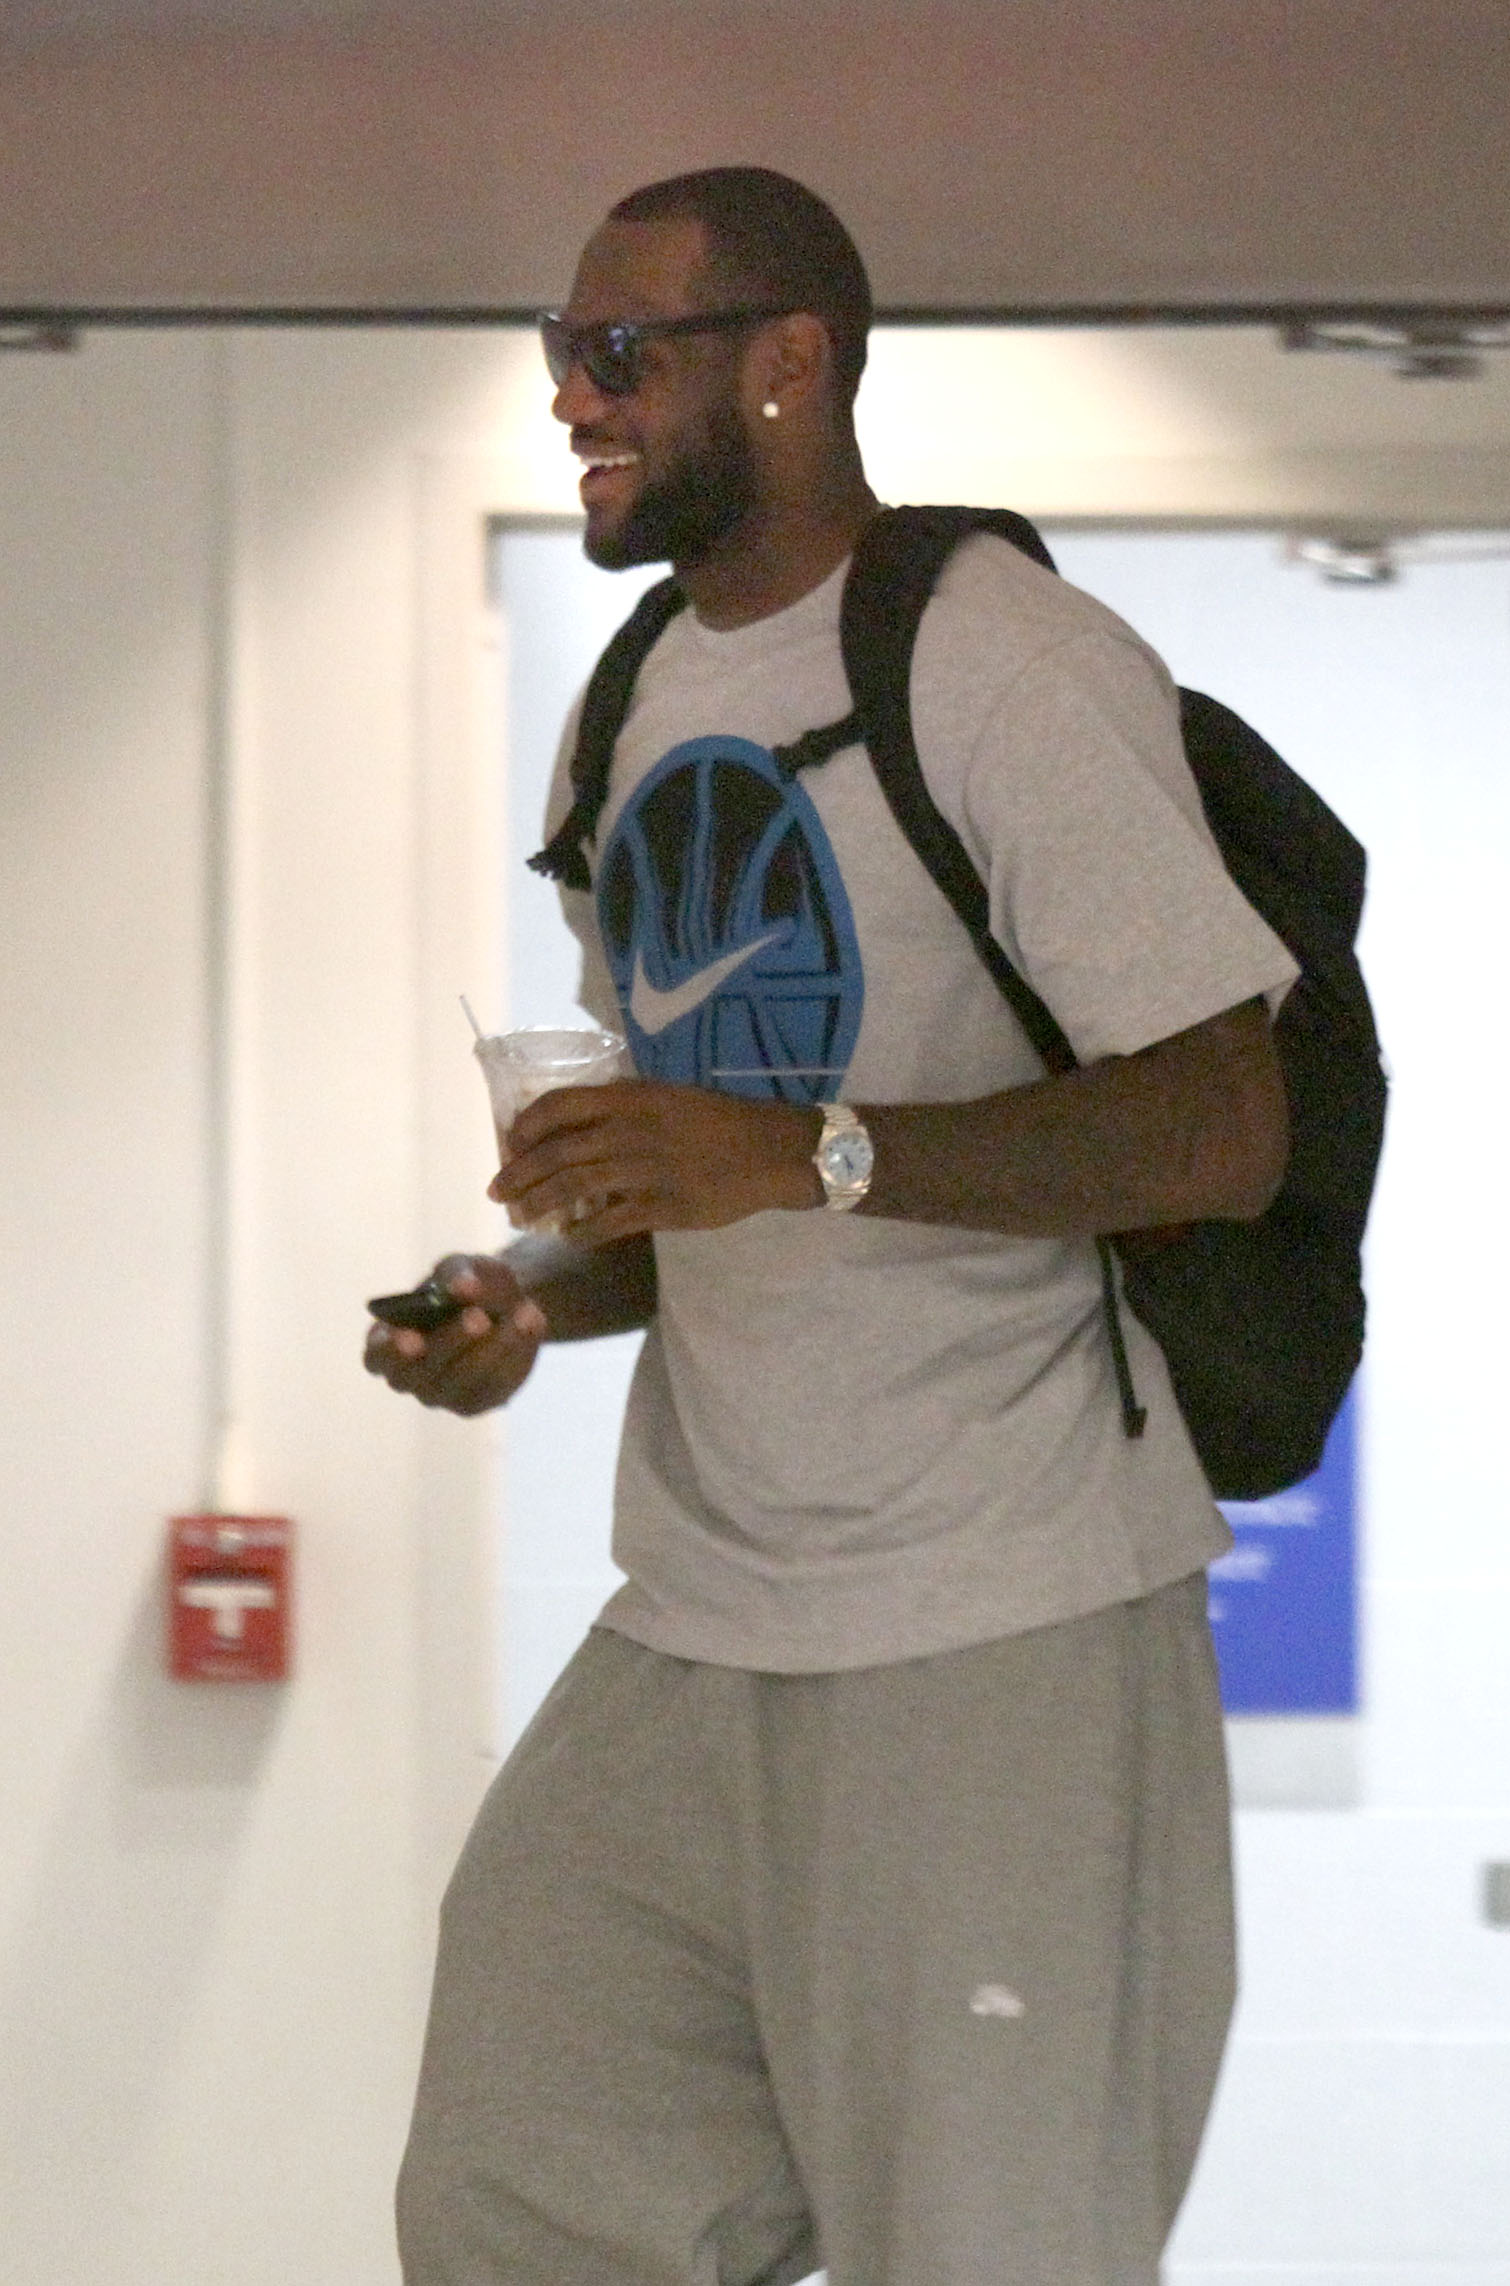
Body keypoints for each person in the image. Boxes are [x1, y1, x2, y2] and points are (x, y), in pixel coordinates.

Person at [369, 165, 1298, 2286]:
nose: (572, 404)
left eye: (621, 356)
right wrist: (523, 1287)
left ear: (789, 365)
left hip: (999, 1621)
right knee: (506, 2203)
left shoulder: (1004, 664)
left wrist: (810, 1156)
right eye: (557, 358)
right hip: (697, 1623)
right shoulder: (634, 705)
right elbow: (679, 1189)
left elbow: (1224, 1117)